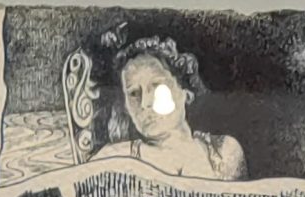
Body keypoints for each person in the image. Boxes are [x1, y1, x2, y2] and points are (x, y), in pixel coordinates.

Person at [64, 34, 247, 180]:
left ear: (185, 92)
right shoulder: (112, 159)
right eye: (134, 93)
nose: (145, 103)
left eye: (157, 87)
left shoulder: (224, 152)